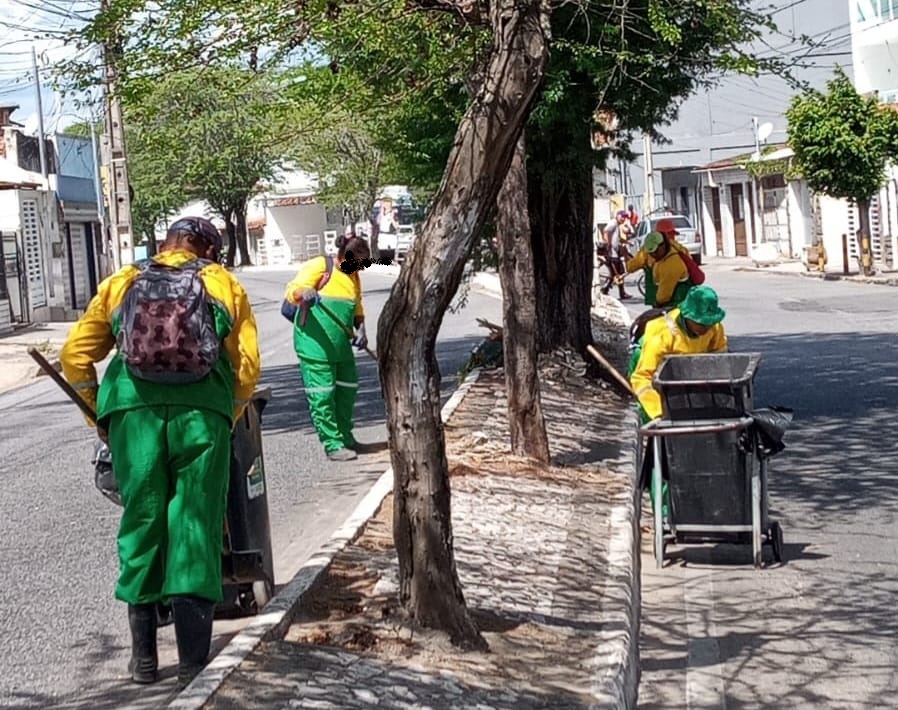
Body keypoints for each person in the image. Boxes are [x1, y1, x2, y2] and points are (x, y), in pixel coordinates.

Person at [60, 216, 261, 687]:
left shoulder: (122, 282)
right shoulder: (220, 283)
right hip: (203, 416)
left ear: (164, 243)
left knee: (142, 522)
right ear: (206, 248)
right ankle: (193, 663)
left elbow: (74, 356)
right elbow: (247, 366)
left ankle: (144, 662)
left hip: (133, 417)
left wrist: (101, 416)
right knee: (195, 522)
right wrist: (225, 414)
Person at [285, 234, 370, 461]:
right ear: (343, 256)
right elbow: (293, 288)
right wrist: (304, 291)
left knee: (347, 390)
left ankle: (345, 436)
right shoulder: (321, 266)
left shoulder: (354, 276)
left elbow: (357, 305)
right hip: (315, 346)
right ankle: (332, 444)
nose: (357, 270)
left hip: (341, 348)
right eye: (354, 264)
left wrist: (361, 329)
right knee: (322, 396)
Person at [629, 285, 728, 422]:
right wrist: (658, 412)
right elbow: (642, 378)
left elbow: (720, 360)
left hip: (684, 371)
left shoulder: (713, 327)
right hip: (652, 368)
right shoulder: (662, 335)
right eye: (701, 323)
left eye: (710, 323)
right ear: (687, 316)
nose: (706, 328)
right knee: (657, 418)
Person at [624, 230, 691, 309]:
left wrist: (657, 304)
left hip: (676, 302)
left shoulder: (671, 263)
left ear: (663, 245)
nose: (653, 255)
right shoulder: (672, 247)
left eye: (655, 251)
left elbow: (664, 295)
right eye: (650, 252)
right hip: (665, 296)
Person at [599, 210, 634, 300]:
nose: (623, 219)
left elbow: (618, 239)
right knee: (618, 273)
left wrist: (627, 242)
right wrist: (608, 244)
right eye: (622, 216)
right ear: (618, 216)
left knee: (616, 273)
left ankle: (606, 290)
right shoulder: (613, 223)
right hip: (612, 254)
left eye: (625, 217)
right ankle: (620, 293)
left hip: (615, 253)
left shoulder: (617, 226)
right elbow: (606, 231)